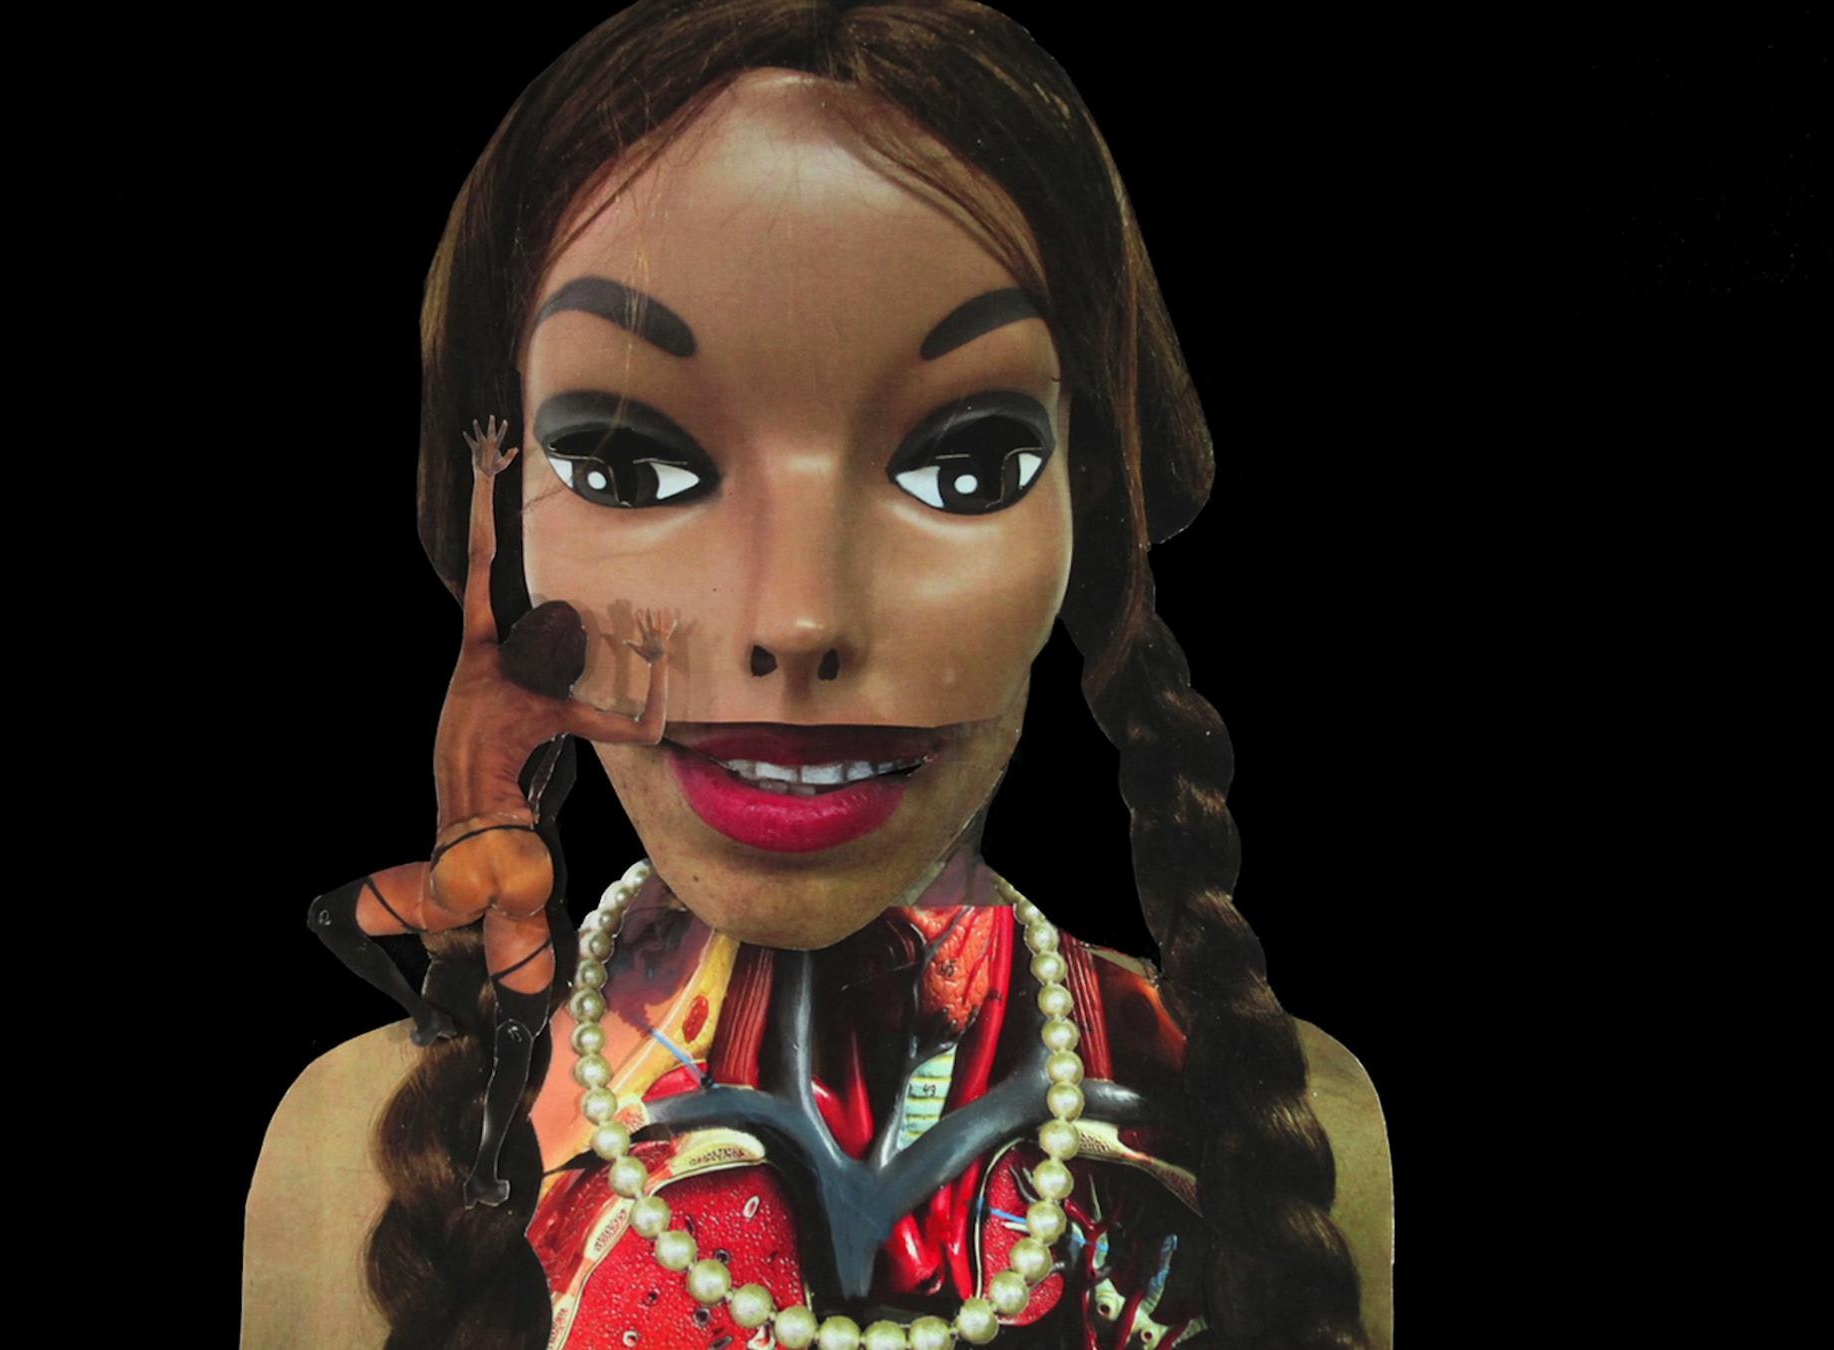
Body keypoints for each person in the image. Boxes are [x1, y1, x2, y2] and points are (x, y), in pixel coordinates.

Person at [246, 3, 1393, 1346]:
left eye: (969, 464)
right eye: (627, 465)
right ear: (494, 529)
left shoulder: (1310, 1149)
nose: (798, 618)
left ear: (1087, 511)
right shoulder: (342, 1159)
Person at [306, 414, 682, 1206]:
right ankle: (485, 1169)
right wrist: (656, 663)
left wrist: (484, 475)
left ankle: (419, 1012)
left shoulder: (477, 655)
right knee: (519, 1027)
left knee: (330, 917)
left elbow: (484, 557)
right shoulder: (553, 711)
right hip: (522, 858)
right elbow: (649, 731)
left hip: (460, 859)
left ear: (515, 637)